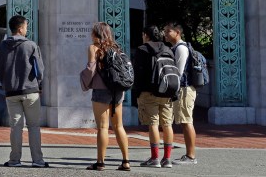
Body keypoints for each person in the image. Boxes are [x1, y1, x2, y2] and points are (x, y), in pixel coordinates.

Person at [0, 15, 49, 168]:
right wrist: (38, 84)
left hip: (11, 91)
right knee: (33, 126)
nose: (27, 29)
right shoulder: (31, 45)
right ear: (20, 28)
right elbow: (40, 70)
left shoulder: (2, 46)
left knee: (16, 126)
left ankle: (15, 159)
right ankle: (37, 160)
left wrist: (5, 80)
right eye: (26, 26)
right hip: (30, 90)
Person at [79, 22, 130, 171]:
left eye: (92, 32)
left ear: (96, 34)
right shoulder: (116, 48)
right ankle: (126, 161)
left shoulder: (93, 48)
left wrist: (83, 80)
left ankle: (100, 162)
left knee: (102, 127)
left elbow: (91, 69)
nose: (90, 35)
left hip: (101, 90)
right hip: (117, 90)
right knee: (119, 126)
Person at [134, 24, 175, 168]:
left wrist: (136, 92)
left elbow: (138, 73)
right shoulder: (168, 49)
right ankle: (167, 159)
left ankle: (155, 158)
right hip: (167, 91)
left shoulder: (142, 49)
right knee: (167, 124)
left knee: (153, 123)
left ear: (146, 35)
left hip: (148, 92)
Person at [164, 21, 198, 165]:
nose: (165, 34)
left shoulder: (181, 48)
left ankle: (191, 156)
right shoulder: (177, 47)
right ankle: (189, 155)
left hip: (184, 88)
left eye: (167, 31)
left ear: (177, 32)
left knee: (186, 121)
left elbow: (178, 71)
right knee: (184, 121)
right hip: (183, 88)